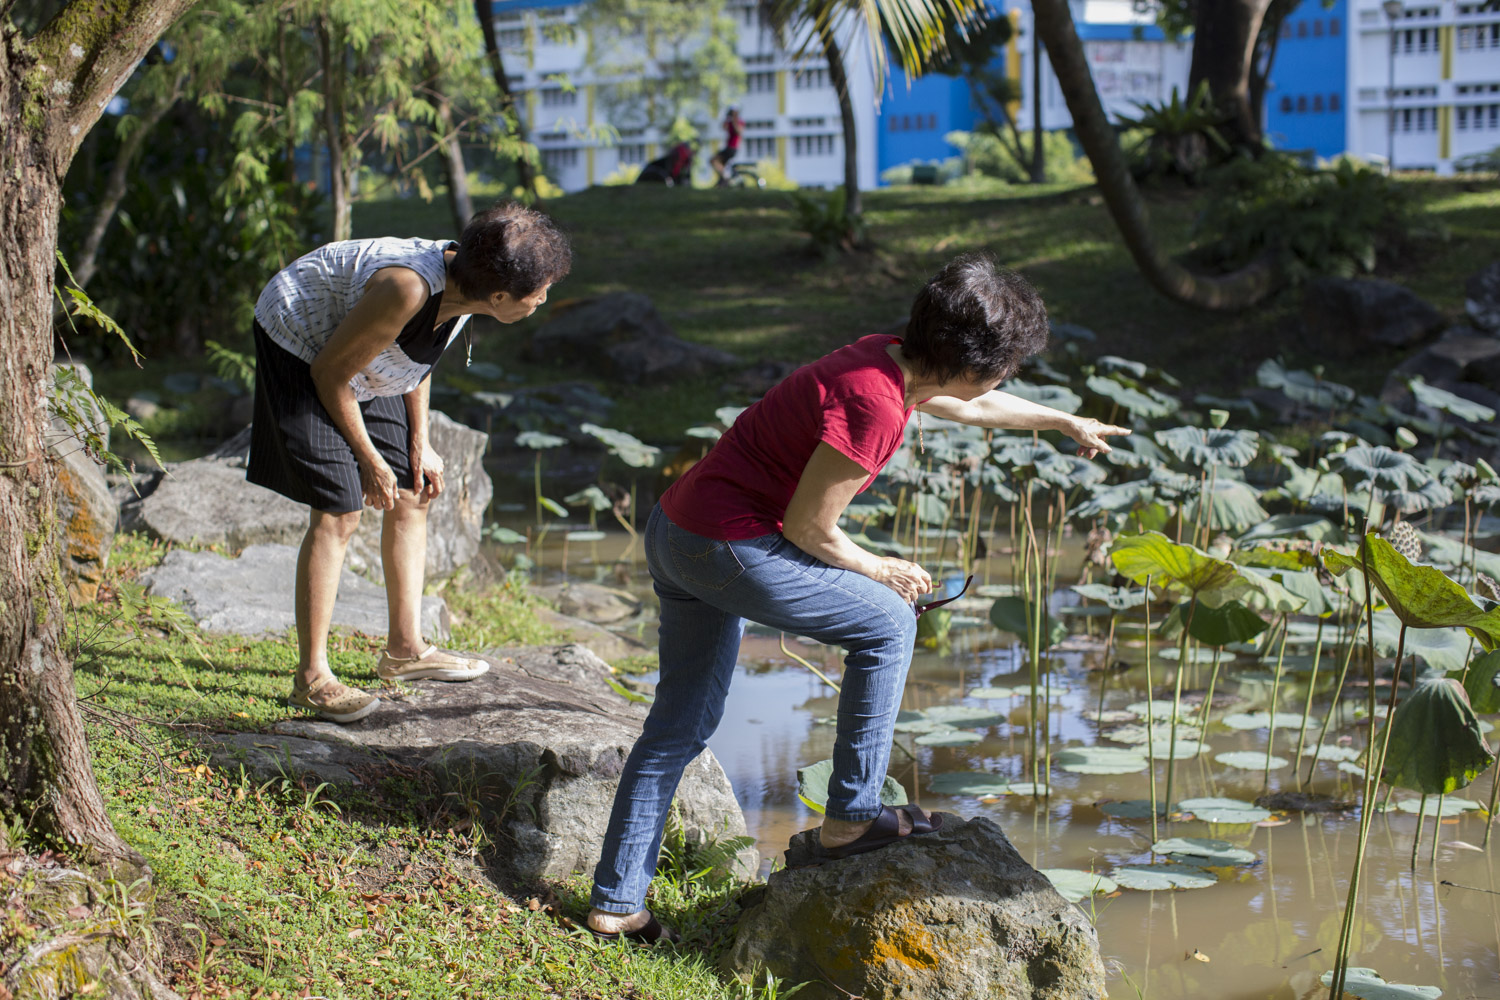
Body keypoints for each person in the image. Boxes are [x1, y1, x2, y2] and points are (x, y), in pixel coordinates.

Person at [585, 253, 1130, 943]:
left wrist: (1060, 420)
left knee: (677, 728)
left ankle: (615, 905)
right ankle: (851, 817)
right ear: (971, 361)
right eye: (1007, 365)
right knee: (888, 622)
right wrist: (882, 569)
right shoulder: (875, 405)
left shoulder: (887, 359)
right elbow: (809, 528)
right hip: (726, 546)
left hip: (678, 531)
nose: (1005, 379)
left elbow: (971, 401)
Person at [247, 202, 572, 723]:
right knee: (339, 509)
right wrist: (370, 457)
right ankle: (312, 678)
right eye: (539, 293)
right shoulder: (409, 287)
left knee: (414, 488)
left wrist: (421, 440)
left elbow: (416, 356)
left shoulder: (466, 282)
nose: (544, 298)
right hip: (303, 343)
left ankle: (404, 650)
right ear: (499, 296)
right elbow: (332, 373)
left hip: (356, 345)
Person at [709, 108, 743, 187]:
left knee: (713, 160)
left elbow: (739, 131)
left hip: (732, 148)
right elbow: (723, 126)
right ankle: (723, 181)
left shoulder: (739, 122)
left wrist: (734, 119)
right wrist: (727, 117)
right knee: (718, 163)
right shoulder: (730, 122)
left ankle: (725, 177)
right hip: (728, 147)